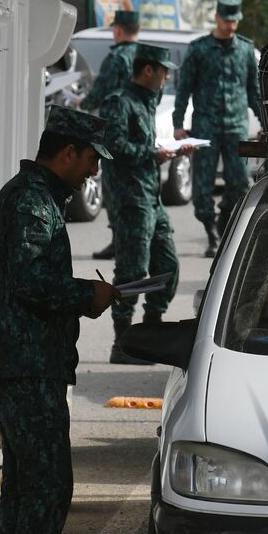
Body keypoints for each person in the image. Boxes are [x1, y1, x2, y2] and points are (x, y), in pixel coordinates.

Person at [0, 106, 118, 534]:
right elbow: (32, 281)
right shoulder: (32, 203)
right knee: (44, 484)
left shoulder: (32, 197)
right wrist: (89, 294)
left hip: (27, 362)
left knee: (32, 482)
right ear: (67, 152)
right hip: (26, 363)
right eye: (89, 160)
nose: (92, 172)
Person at [100, 44, 193, 364]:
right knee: (132, 271)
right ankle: (123, 343)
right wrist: (154, 154)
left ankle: (152, 334)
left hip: (151, 197)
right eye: (164, 70)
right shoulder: (119, 103)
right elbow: (114, 146)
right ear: (149, 70)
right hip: (130, 199)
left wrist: (171, 150)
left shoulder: (145, 101)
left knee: (167, 266)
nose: (167, 77)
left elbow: (138, 144)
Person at [173, 0, 261, 257]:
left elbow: (253, 91)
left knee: (239, 183)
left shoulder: (245, 49)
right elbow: (184, 89)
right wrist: (178, 124)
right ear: (217, 18)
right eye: (226, 21)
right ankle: (210, 232)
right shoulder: (199, 49)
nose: (230, 26)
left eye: (234, 22)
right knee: (203, 184)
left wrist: (266, 122)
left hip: (235, 125)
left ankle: (224, 218)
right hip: (205, 126)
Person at [79, 9, 141, 260]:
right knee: (137, 187)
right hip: (139, 131)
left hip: (116, 131)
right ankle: (136, 241)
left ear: (118, 30)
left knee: (114, 188)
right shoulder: (146, 57)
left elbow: (99, 91)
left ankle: (119, 241)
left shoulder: (117, 59)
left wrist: (83, 102)